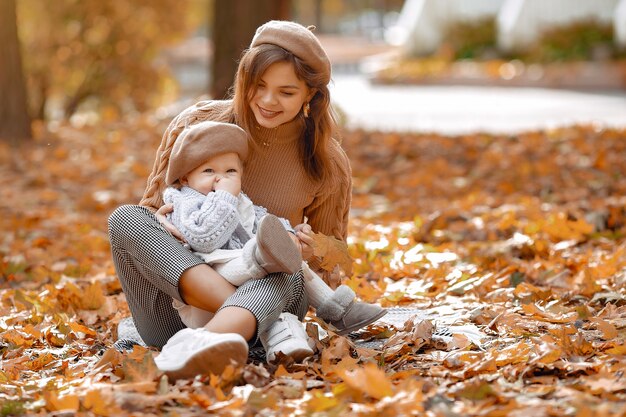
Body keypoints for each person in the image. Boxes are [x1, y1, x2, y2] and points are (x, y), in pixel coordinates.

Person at [108, 20, 385, 380]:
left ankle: (208, 341)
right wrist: (162, 221)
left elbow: (335, 260)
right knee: (126, 218)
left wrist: (310, 249)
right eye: (259, 86)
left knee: (280, 257)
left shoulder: (327, 162)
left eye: (286, 92)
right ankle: (206, 338)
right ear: (244, 79)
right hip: (179, 316)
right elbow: (150, 210)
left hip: (269, 314)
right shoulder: (198, 123)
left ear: (310, 96)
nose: (268, 101)